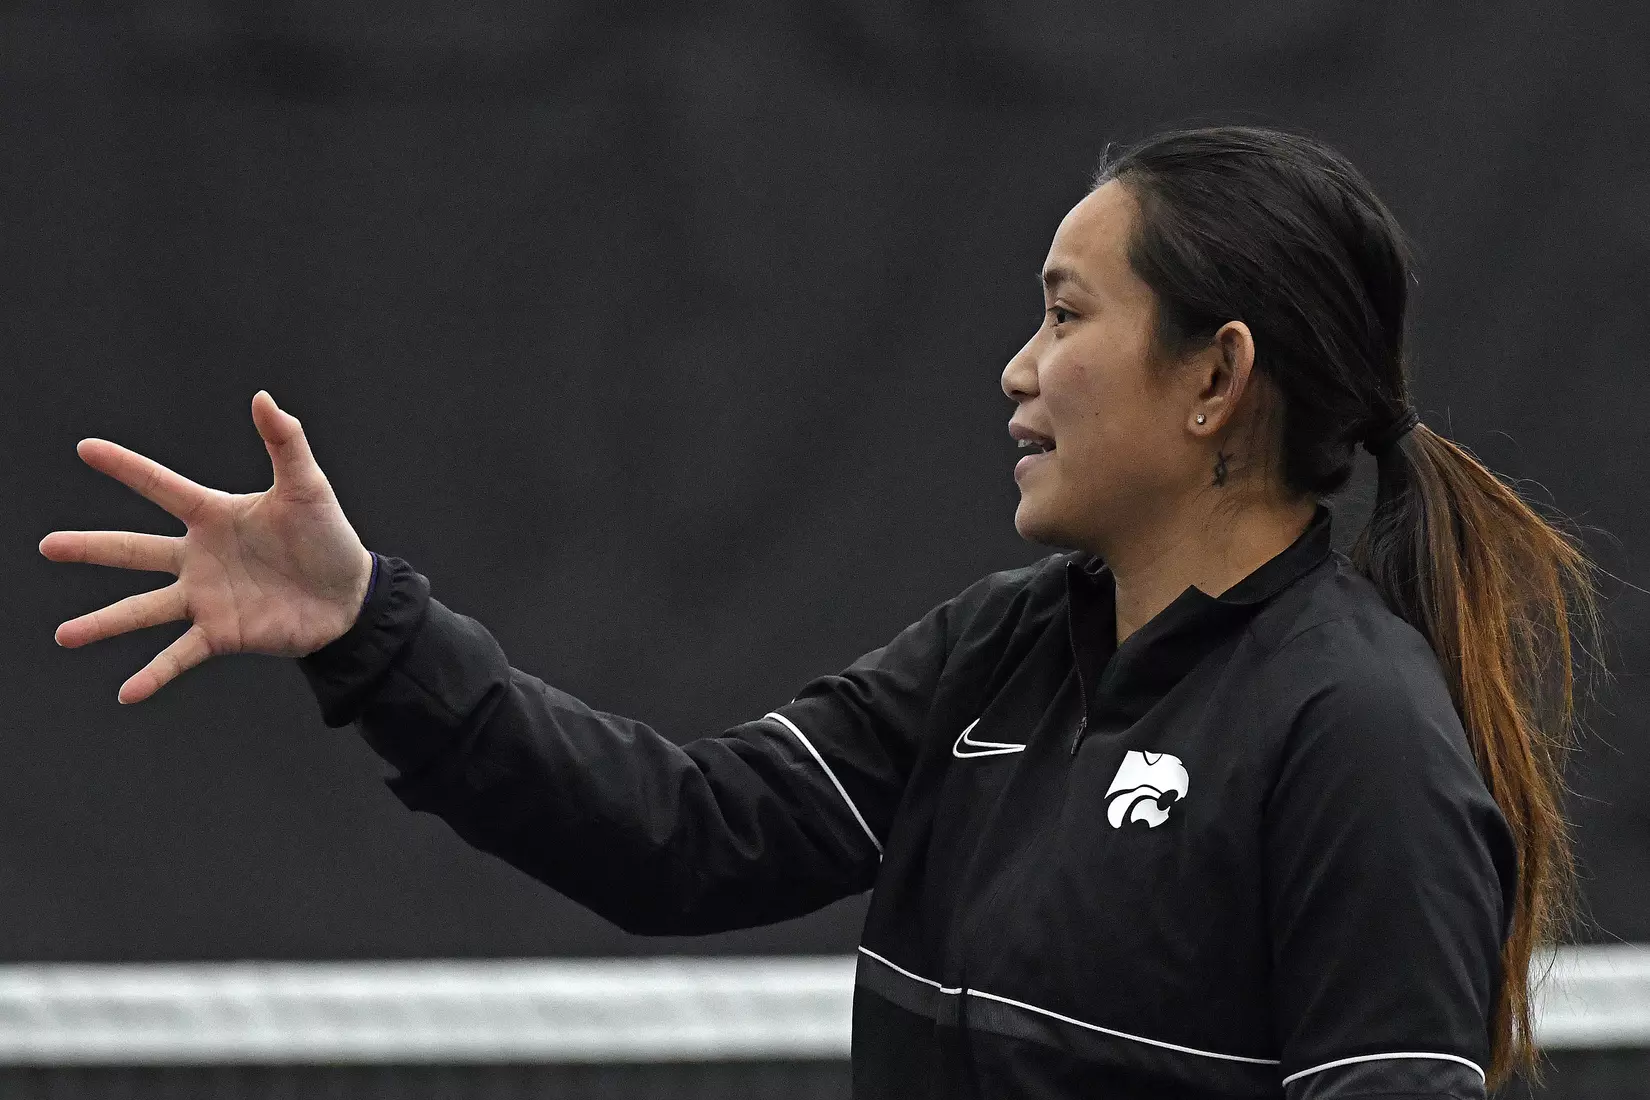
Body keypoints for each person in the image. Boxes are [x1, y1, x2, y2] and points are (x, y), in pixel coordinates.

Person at [39, 125, 1604, 1099]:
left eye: (1065, 314)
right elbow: (676, 833)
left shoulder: (1356, 737)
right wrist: (365, 622)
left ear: (1215, 377)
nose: (1016, 368)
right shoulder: (999, 652)